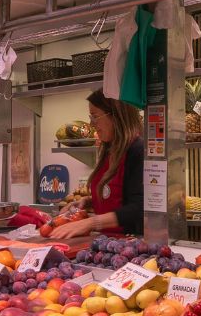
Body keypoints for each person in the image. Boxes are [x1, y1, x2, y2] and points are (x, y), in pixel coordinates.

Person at [51, 92, 145, 239]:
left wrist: (90, 223)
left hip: (129, 245)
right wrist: (88, 202)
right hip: (106, 242)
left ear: (115, 116)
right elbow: (116, 197)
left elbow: (138, 208)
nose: (91, 124)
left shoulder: (138, 150)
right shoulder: (109, 149)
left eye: (95, 117)